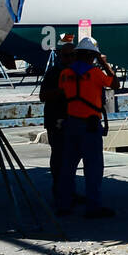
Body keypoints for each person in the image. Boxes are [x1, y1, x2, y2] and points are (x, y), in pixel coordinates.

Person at [54, 37, 118, 219]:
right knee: (93, 168)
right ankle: (93, 207)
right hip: (90, 124)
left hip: (71, 123)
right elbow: (114, 84)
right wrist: (104, 63)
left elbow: (63, 92)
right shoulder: (95, 73)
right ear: (92, 56)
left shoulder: (64, 74)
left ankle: (64, 205)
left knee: (67, 167)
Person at [38, 33, 77, 199]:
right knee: (59, 157)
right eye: (66, 55)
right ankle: (59, 191)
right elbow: (43, 95)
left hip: (71, 118)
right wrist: (63, 91)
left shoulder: (76, 73)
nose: (69, 59)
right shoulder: (54, 73)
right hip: (56, 120)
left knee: (71, 157)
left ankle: (69, 191)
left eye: (72, 56)